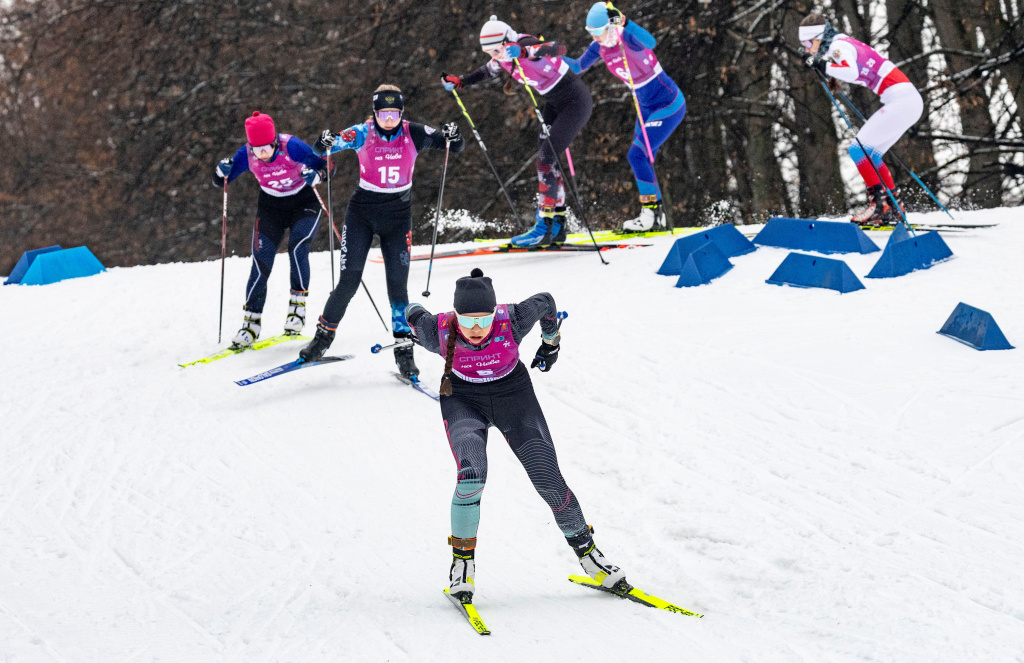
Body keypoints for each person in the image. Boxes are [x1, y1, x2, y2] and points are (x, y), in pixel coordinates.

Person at [405, 268, 627, 600]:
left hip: (514, 396)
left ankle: (589, 554)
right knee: (472, 473)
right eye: (467, 322)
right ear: (455, 317)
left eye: (485, 320)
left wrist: (551, 342)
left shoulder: (515, 318)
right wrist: (407, 318)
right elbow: (413, 313)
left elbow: (547, 302)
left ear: (496, 312)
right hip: (463, 400)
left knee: (548, 477)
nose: (477, 329)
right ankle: (462, 563)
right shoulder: (435, 330)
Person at [298, 84, 465, 378]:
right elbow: (325, 146)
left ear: (401, 113)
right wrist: (323, 141)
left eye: (394, 113)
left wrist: (454, 135)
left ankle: (404, 352)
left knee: (398, 288)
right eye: (383, 113)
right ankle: (321, 340)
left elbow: (451, 144)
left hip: (398, 218)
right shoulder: (364, 132)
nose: (389, 119)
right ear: (374, 113)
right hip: (362, 213)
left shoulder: (412, 132)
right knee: (349, 281)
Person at [441, 16, 593, 248]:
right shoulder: (501, 58)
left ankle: (543, 227)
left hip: (575, 102)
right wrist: (461, 81)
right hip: (554, 103)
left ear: (506, 41)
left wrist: (522, 53)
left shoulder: (525, 44)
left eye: (495, 50)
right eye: (488, 52)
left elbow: (557, 48)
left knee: (544, 161)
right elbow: (487, 71)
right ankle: (557, 225)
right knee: (546, 161)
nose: (494, 56)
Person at [564, 2, 686, 232]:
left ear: (610, 26)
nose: (595, 37)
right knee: (642, 157)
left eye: (598, 31)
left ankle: (649, 213)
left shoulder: (626, 36)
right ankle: (656, 217)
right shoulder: (598, 47)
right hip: (645, 108)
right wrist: (546, 58)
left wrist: (626, 22)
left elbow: (650, 42)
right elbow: (578, 66)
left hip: (668, 103)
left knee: (637, 155)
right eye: (590, 33)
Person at [213, 111, 328, 348]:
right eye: (257, 149)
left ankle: (296, 311)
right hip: (271, 207)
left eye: (267, 147)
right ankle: (250, 324)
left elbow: (327, 165)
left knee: (297, 247)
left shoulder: (292, 146)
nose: (263, 154)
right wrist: (220, 171)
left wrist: (317, 175)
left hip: (304, 202)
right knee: (261, 260)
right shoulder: (246, 154)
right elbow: (222, 180)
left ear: (275, 141)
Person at [800, 14, 923, 226]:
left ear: (819, 37)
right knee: (872, 154)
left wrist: (821, 64)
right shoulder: (842, 43)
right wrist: (823, 65)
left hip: (902, 100)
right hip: (907, 100)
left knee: (858, 150)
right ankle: (894, 206)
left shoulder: (838, 46)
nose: (807, 49)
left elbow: (851, 70)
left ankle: (878, 206)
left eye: (808, 43)